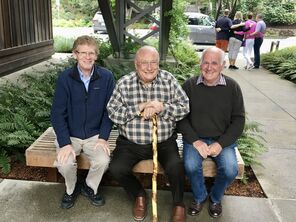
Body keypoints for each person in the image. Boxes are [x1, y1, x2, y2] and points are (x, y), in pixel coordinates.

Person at [107, 46, 190, 222]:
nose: (149, 67)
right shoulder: (124, 83)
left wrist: (162, 107)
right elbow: (113, 113)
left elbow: (185, 107)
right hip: (131, 143)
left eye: (154, 62)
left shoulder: (168, 80)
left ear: (158, 64)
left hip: (164, 141)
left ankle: (178, 204)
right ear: (136, 64)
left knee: (176, 167)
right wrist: (139, 108)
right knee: (116, 168)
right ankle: (138, 194)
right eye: (145, 62)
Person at [177, 47, 245, 218]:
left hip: (222, 140)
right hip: (195, 139)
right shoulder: (190, 85)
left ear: (222, 65)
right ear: (200, 65)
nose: (209, 67)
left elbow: (239, 120)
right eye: (205, 62)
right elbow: (180, 118)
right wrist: (195, 141)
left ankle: (215, 198)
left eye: (214, 63)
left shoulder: (232, 87)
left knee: (230, 170)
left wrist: (221, 143)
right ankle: (200, 197)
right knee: (191, 166)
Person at [51, 35, 116, 209]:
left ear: (96, 55)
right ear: (75, 54)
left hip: (94, 135)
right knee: (64, 164)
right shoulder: (66, 78)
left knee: (103, 160)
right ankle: (71, 189)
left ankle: (89, 187)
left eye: (92, 53)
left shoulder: (106, 77)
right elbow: (57, 114)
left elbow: (109, 111)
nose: (88, 57)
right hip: (70, 135)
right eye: (83, 53)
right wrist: (64, 143)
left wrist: (103, 138)